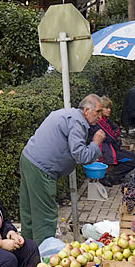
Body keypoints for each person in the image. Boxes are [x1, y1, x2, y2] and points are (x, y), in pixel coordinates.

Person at [20, 94, 106, 245]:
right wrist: (95, 143)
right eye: (98, 111)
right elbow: (81, 156)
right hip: (42, 169)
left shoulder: (68, 114)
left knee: (29, 213)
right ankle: (42, 257)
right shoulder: (78, 122)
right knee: (44, 216)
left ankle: (26, 253)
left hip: (29, 159)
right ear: (86, 110)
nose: (100, 116)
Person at [88, 96, 135, 186]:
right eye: (106, 108)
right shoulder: (99, 122)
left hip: (112, 148)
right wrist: (114, 133)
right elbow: (112, 136)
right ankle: (110, 177)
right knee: (131, 161)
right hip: (105, 151)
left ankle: (117, 177)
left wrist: (114, 133)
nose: (109, 110)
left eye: (110, 108)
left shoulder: (106, 120)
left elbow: (116, 129)